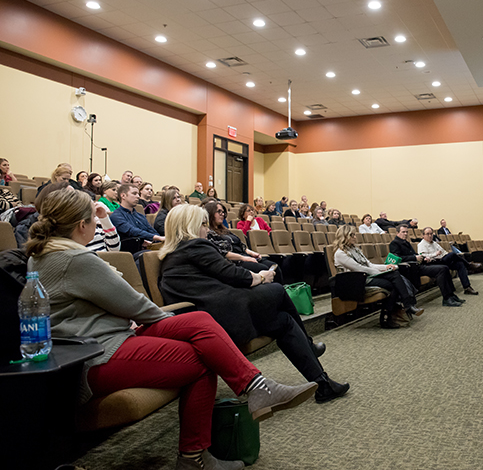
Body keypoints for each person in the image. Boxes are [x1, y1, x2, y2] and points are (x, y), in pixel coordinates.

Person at [26, 188, 318, 470]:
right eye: (94, 216)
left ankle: (256, 390)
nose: (99, 219)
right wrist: (171, 326)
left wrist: (179, 326)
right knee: (206, 355)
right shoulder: (74, 260)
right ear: (81, 225)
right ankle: (195, 456)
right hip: (96, 357)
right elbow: (134, 304)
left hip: (107, 340)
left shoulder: (49, 254)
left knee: (200, 320)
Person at [159, 204, 349, 404]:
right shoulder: (194, 246)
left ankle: (322, 384)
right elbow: (230, 273)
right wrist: (260, 277)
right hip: (222, 317)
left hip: (220, 310)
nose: (207, 229)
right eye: (203, 224)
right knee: (277, 290)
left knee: (283, 321)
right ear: (189, 227)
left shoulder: (174, 253)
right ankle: (308, 346)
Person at [334, 225, 424, 327]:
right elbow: (359, 268)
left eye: (354, 234)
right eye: (352, 235)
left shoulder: (355, 249)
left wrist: (386, 267)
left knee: (394, 279)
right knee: (393, 279)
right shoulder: (340, 253)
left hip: (365, 277)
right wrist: (379, 272)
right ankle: (403, 308)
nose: (355, 237)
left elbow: (369, 265)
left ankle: (390, 316)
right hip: (355, 282)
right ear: (344, 236)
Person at [204, 201, 284, 284]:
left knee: (275, 267)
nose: (222, 214)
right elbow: (222, 252)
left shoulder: (225, 230)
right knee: (264, 269)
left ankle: (283, 292)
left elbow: (241, 244)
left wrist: (252, 253)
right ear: (210, 213)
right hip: (235, 262)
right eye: (219, 211)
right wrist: (244, 258)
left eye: (223, 212)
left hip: (244, 256)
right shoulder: (208, 233)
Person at [390, 225, 464, 307]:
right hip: (411, 269)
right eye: (403, 232)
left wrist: (424, 258)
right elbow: (397, 258)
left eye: (406, 232)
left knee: (445, 267)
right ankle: (446, 298)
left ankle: (451, 295)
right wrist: (414, 257)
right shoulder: (394, 244)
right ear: (397, 233)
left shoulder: (406, 242)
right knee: (442, 269)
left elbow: (416, 255)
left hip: (418, 266)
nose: (406, 234)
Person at [417, 227, 480, 295]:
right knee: (452, 254)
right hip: (433, 263)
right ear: (423, 235)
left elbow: (443, 252)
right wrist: (435, 254)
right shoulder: (421, 245)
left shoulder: (434, 243)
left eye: (431, 234)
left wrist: (447, 256)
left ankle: (467, 287)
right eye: (427, 234)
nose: (430, 236)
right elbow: (423, 257)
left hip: (442, 260)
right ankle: (468, 265)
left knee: (460, 264)